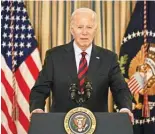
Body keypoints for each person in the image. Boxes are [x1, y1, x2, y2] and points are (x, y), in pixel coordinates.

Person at [29, 8, 134, 122]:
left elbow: (120, 89)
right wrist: (37, 108)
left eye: (89, 27)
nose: (85, 32)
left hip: (98, 124)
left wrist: (125, 108)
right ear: (72, 29)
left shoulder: (109, 58)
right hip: (60, 124)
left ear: (95, 30)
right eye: (80, 27)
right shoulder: (54, 56)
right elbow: (39, 89)